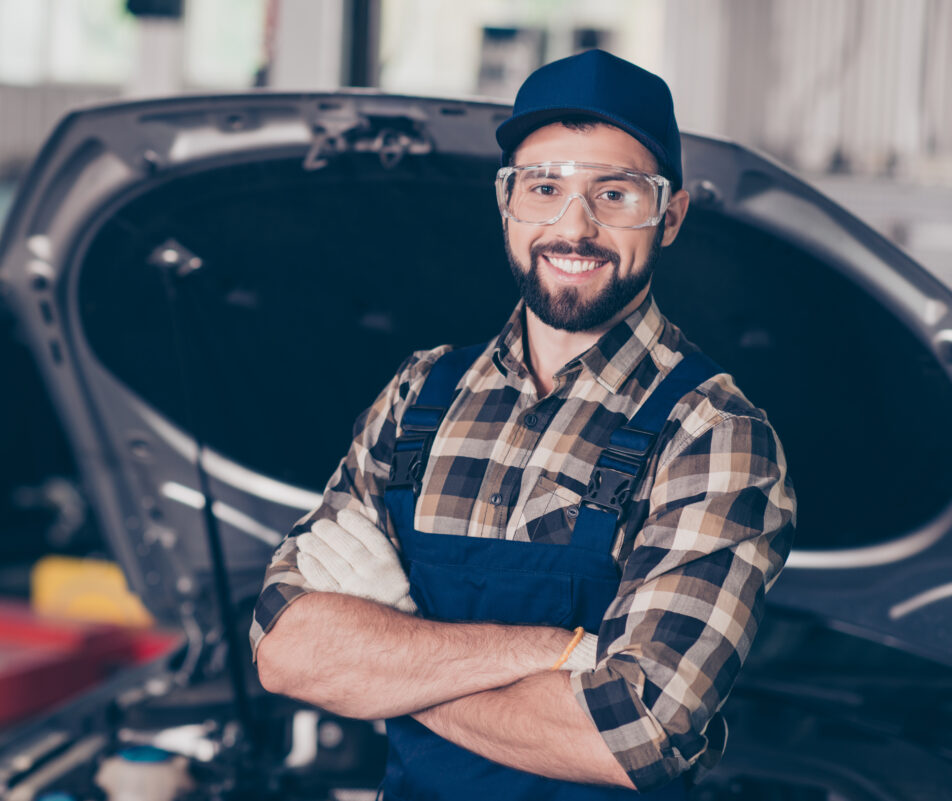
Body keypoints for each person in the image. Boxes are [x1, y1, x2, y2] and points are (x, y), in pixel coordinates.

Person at [250, 49, 796, 799]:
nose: (574, 228)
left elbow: (635, 735)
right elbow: (285, 648)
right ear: (506, 201)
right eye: (545, 187)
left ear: (669, 216)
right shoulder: (419, 395)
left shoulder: (713, 435)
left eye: (615, 193)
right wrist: (562, 651)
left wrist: (389, 656)